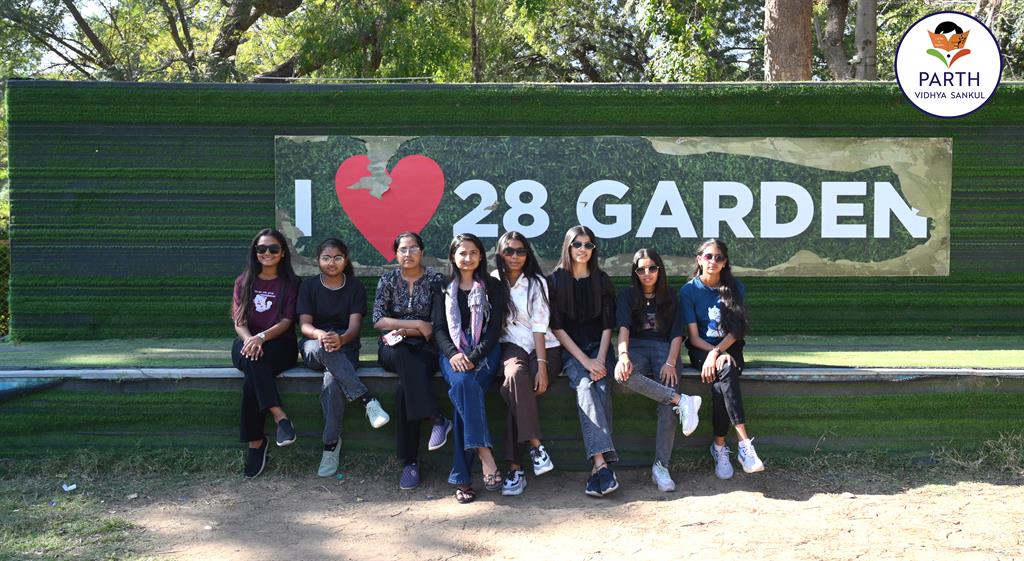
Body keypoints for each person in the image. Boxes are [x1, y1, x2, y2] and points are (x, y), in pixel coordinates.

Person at [298, 238, 391, 478]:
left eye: (337, 258)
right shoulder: (309, 286)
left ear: (345, 260)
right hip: (314, 346)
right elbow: (305, 325)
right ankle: (367, 400)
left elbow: (354, 327)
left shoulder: (355, 287)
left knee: (332, 382)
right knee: (322, 348)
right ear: (318, 260)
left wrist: (341, 339)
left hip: (345, 346)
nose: (332, 262)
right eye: (326, 258)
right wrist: (321, 335)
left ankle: (330, 446)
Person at [613, 248, 702, 492]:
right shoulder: (627, 296)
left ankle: (661, 467)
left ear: (659, 270)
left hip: (665, 349)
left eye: (652, 268)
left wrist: (671, 362)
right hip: (636, 348)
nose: (647, 273)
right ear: (635, 272)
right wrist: (623, 356)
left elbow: (677, 334)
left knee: (667, 407)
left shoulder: (671, 296)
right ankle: (682, 400)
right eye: (641, 269)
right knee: (623, 375)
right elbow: (623, 330)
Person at [680, 238, 765, 479]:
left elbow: (736, 331)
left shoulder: (735, 288)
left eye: (719, 257)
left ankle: (721, 447)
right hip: (701, 349)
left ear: (725, 262)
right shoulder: (689, 291)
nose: (713, 261)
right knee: (725, 372)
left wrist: (718, 352)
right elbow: (694, 337)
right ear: (699, 259)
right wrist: (712, 353)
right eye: (708, 256)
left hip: (729, 348)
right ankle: (743, 444)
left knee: (721, 382)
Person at [372, 231, 450, 490]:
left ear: (422, 252)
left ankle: (410, 463)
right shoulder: (388, 280)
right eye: (403, 249)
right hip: (392, 348)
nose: (408, 254)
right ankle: (436, 417)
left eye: (413, 248)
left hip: (426, 349)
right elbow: (378, 320)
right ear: (396, 254)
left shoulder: (436, 280)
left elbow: (436, 326)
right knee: (403, 356)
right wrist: (415, 324)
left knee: (405, 390)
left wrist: (407, 330)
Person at [432, 233, 507, 504]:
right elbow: (438, 328)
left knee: (464, 391)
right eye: (462, 253)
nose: (468, 258)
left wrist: (474, 356)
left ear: (481, 256)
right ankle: (485, 455)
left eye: (474, 252)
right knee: (465, 385)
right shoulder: (442, 286)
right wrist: (453, 354)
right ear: (453, 256)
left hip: (485, 353)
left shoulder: (493, 286)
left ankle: (461, 477)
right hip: (451, 354)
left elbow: (494, 330)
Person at [548, 225, 620, 497]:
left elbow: (608, 325)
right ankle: (602, 464)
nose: (583, 249)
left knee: (602, 386)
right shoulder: (555, 281)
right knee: (585, 387)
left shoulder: (602, 280)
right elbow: (557, 328)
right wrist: (586, 362)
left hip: (600, 349)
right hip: (573, 352)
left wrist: (599, 359)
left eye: (588, 245)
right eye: (577, 244)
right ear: (568, 247)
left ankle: (598, 469)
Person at [491, 231, 561, 497]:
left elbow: (540, 326)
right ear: (500, 253)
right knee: (515, 377)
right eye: (509, 251)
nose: (515, 256)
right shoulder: (492, 281)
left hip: (545, 347)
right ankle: (536, 445)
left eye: (521, 251)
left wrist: (542, 365)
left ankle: (515, 469)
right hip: (511, 346)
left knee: (518, 390)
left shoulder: (536, 282)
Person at [231, 228, 301, 478]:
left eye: (273, 248)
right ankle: (280, 418)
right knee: (252, 357)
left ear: (282, 253)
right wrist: (250, 339)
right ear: (255, 252)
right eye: (261, 249)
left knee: (253, 367)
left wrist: (261, 338)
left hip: (281, 345)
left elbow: (286, 321)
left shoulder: (291, 283)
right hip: (247, 341)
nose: (267, 253)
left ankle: (256, 443)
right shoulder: (243, 281)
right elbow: (239, 322)